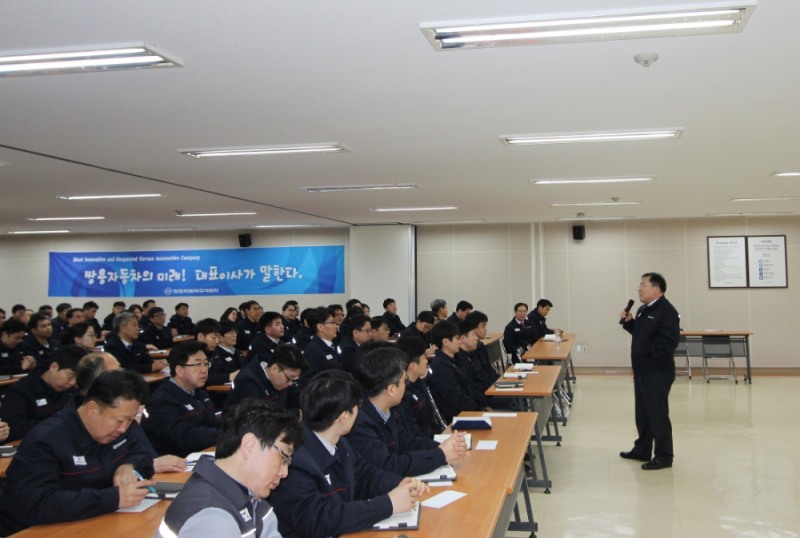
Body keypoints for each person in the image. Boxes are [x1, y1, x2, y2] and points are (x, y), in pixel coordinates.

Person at [269, 370, 429, 538]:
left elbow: (367, 476)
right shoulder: (294, 460)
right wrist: (388, 504)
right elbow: (322, 519)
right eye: (356, 409)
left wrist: (401, 484)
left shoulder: (339, 442)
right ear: (344, 417)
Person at [0, 370, 155, 534]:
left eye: (130, 421)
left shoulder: (117, 429)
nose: (123, 429)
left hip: (99, 522)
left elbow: (143, 455)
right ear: (92, 409)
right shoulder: (45, 441)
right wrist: (113, 498)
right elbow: (34, 505)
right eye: (119, 421)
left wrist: (128, 466)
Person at [158, 400, 303, 538]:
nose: (284, 473)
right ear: (249, 445)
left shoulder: (249, 496)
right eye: (283, 457)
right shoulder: (211, 519)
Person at [348, 346, 466, 475]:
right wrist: (440, 455)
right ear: (391, 390)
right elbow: (389, 465)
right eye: (405, 381)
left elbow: (406, 442)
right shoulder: (359, 423)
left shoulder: (387, 409)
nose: (407, 385)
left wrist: (443, 447)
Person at [619, 272, 680, 471]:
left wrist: (646, 353)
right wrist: (629, 322)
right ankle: (642, 449)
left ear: (656, 289)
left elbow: (669, 342)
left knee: (657, 414)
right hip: (642, 372)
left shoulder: (667, 311)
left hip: (657, 372)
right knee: (643, 413)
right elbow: (641, 334)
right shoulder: (643, 310)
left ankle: (664, 456)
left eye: (643, 285)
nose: (639, 288)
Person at [141, 341, 220, 456]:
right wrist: (225, 434)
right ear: (179, 370)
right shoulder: (160, 402)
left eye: (206, 364)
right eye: (197, 365)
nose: (204, 370)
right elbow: (185, 437)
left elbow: (211, 422)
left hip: (202, 453)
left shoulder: (199, 393)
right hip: (175, 465)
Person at [0, 345, 82, 441]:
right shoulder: (21, 390)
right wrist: (56, 423)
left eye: (77, 378)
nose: (72, 382)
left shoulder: (71, 390)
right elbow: (13, 429)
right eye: (70, 376)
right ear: (54, 367)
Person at [425, 320, 486, 423]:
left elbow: (470, 386)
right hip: (459, 417)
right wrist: (479, 408)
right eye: (457, 338)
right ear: (445, 342)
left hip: (471, 409)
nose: (459, 342)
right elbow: (456, 399)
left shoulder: (456, 359)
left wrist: (484, 404)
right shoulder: (439, 367)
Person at [225, 343, 305, 410]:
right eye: (289, 378)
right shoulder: (247, 381)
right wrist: (296, 414)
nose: (290, 383)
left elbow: (295, 399)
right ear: (274, 369)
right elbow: (259, 418)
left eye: (293, 379)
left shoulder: (281, 380)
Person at [396, 335, 447, 438]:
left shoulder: (420, 382)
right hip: (429, 444)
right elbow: (415, 434)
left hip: (438, 436)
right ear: (413, 366)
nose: (426, 361)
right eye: (424, 357)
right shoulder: (402, 395)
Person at [298, 307, 342, 385]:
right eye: (332, 322)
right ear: (320, 327)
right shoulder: (313, 349)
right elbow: (308, 381)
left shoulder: (331, 344)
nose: (336, 326)